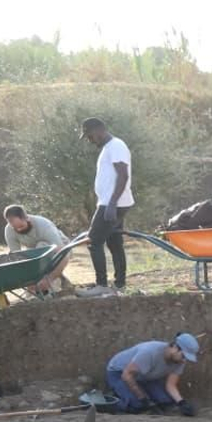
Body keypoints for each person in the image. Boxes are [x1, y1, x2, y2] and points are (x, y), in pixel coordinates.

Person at [79, 117, 133, 296]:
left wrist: (111, 204)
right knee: (115, 243)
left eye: (89, 136)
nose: (89, 140)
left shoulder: (116, 146)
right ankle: (119, 285)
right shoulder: (109, 148)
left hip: (112, 204)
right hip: (114, 203)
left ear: (99, 130)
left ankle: (101, 285)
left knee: (93, 242)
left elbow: (123, 176)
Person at [104, 334, 199, 415]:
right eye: (183, 356)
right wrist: (143, 398)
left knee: (165, 402)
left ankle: (131, 394)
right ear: (174, 347)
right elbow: (127, 375)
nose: (184, 360)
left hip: (145, 376)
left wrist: (182, 403)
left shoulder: (179, 361)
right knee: (137, 406)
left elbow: (171, 385)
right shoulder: (149, 352)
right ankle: (111, 400)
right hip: (120, 373)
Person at [1, 205, 73, 295]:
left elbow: (63, 254)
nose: (19, 229)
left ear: (27, 218)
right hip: (35, 253)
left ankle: (52, 283)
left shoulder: (44, 225)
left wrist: (50, 279)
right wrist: (27, 280)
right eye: (16, 228)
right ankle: (55, 281)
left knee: (41, 247)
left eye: (21, 226)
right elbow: (16, 257)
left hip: (61, 248)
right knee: (32, 256)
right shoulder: (9, 231)